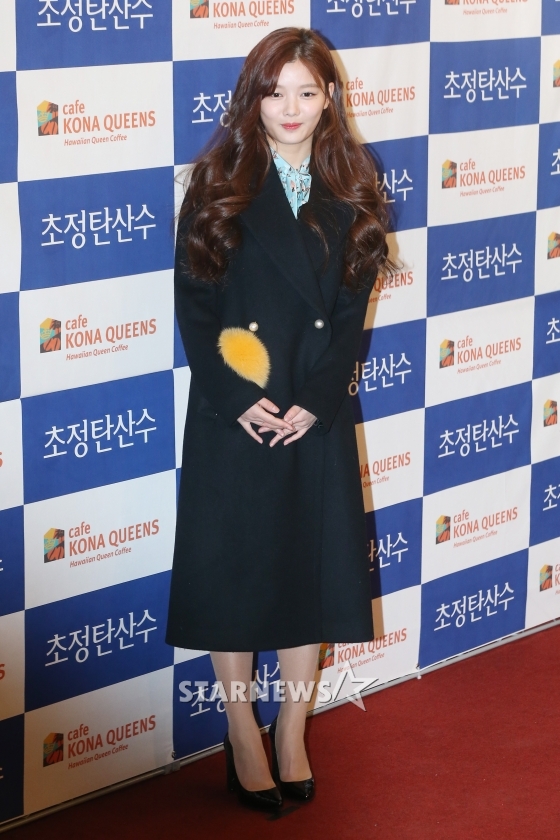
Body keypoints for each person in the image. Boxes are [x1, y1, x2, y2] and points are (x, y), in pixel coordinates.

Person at [166, 27, 391, 810]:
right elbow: (194, 307)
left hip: (310, 415)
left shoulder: (353, 184)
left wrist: (318, 401)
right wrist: (236, 398)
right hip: (238, 411)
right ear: (252, 98)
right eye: (273, 91)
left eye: (306, 91)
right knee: (231, 580)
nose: (289, 108)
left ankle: (291, 728)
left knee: (307, 575)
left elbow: (351, 313)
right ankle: (240, 731)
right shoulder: (217, 183)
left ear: (329, 98)